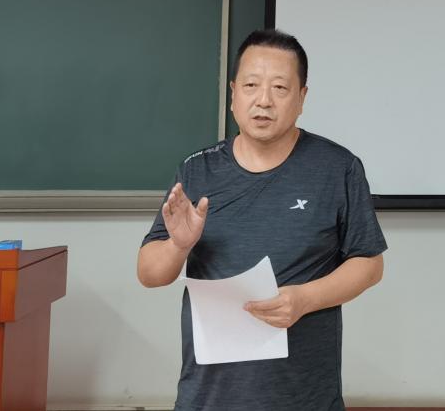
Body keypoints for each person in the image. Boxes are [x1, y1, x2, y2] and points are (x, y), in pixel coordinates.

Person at [138, 28, 386, 410]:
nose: (264, 100)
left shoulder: (337, 168)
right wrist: (179, 245)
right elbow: (149, 274)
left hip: (304, 397)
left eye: (280, 88)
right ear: (233, 94)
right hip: (209, 396)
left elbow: (369, 265)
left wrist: (304, 299)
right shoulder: (197, 170)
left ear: (302, 98)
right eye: (251, 85)